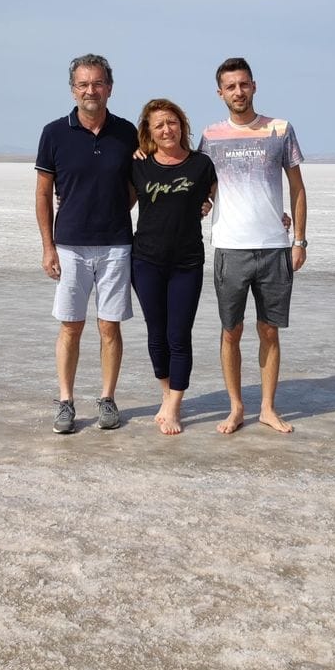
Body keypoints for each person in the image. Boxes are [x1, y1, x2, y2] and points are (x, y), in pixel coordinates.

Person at [199, 57, 307, 435]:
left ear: (254, 86)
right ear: (220, 93)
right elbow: (204, 185)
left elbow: (297, 187)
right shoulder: (210, 136)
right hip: (230, 248)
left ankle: (267, 408)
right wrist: (204, 203)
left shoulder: (279, 129)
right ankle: (235, 407)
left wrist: (299, 240)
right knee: (231, 331)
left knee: (269, 331)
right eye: (230, 87)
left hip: (274, 248)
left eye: (243, 84)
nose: (238, 92)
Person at [35, 55, 138, 434]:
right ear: (72, 89)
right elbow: (43, 194)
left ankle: (107, 398)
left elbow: (137, 185)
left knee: (110, 327)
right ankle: (65, 401)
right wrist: (48, 246)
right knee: (71, 327)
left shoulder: (127, 133)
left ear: (109, 88)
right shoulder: (54, 133)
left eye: (97, 84)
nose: (90, 91)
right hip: (70, 246)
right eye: (83, 84)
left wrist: (111, 210)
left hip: (115, 246)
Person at [130, 99, 217, 435]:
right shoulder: (139, 166)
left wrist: (279, 215)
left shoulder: (201, 165)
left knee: (179, 335)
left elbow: (226, 199)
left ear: (182, 125)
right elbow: (118, 202)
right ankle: (166, 394)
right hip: (146, 260)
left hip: (186, 262)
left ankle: (175, 406)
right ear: (149, 133)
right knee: (157, 333)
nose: (167, 130)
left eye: (172, 122)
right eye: (159, 125)